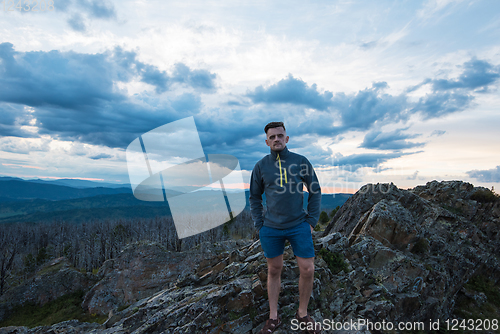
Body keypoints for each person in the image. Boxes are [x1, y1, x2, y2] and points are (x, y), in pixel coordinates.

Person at [250, 121, 322, 334]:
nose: (276, 140)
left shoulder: (301, 162)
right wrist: (259, 224)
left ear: (287, 138)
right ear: (266, 142)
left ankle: (302, 314)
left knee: (308, 269)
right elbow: (254, 196)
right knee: (274, 269)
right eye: (272, 137)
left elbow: (315, 191)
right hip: (270, 228)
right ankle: (273, 317)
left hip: (299, 224)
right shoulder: (261, 166)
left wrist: (311, 221)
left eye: (280, 136)